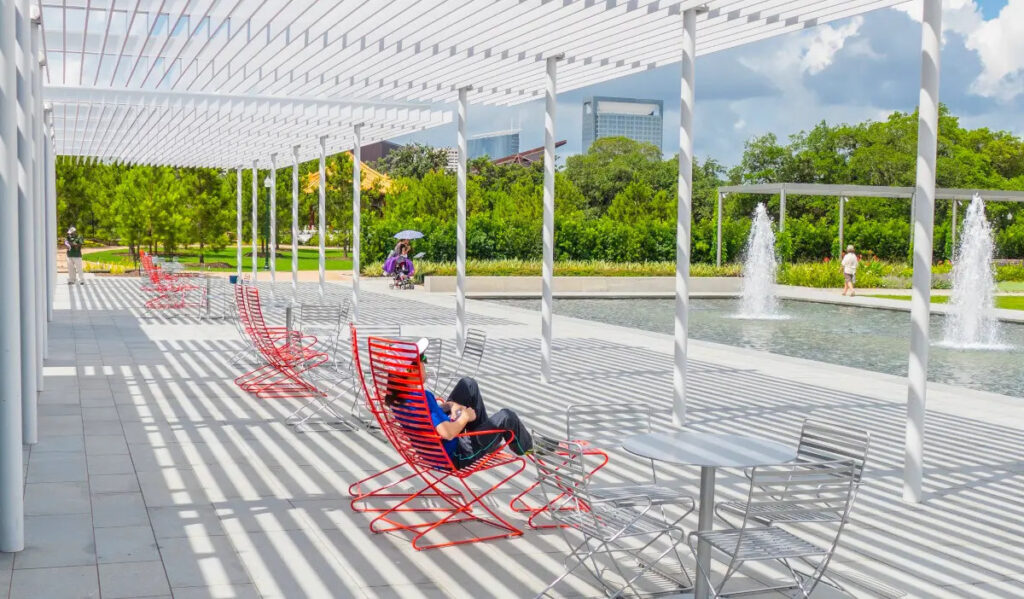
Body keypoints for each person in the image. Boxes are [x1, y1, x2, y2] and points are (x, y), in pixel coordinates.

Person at [387, 339, 533, 468]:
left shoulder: (396, 400)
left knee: (468, 384)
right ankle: (528, 448)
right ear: (411, 369)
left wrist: (449, 406)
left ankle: (487, 442)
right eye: (423, 359)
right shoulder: (423, 398)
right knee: (507, 417)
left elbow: (424, 419)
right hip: (456, 454)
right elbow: (448, 433)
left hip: (432, 451)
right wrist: (465, 417)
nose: (425, 362)